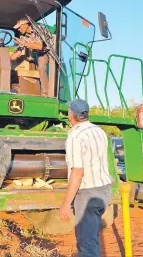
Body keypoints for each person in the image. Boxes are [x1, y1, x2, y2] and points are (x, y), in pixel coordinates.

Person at [59, 98, 112, 257]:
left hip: (87, 194)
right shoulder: (99, 131)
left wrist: (66, 203)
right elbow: (101, 158)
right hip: (104, 191)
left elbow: (78, 172)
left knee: (86, 243)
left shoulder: (75, 136)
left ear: (71, 114)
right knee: (92, 235)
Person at [10, 17, 52, 96]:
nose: (18, 29)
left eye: (19, 27)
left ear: (25, 25)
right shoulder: (24, 36)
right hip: (41, 54)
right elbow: (18, 51)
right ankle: (44, 92)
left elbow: (40, 46)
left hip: (51, 52)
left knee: (42, 67)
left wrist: (24, 43)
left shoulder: (38, 28)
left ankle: (47, 93)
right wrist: (8, 59)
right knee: (41, 66)